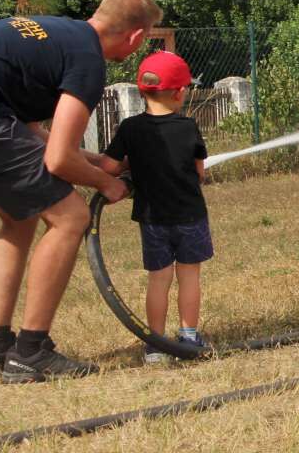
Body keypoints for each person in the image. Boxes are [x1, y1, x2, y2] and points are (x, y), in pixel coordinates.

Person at [0, 0, 162, 381]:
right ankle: (31, 352)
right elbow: (58, 160)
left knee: (18, 216)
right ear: (136, 36)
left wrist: (96, 163)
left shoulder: (60, 34)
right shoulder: (87, 61)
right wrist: (107, 185)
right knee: (70, 218)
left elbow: (29, 132)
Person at [99, 50, 210, 364]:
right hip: (191, 217)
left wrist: (129, 169)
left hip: (152, 221)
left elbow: (107, 165)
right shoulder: (188, 127)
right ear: (179, 93)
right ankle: (189, 337)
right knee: (189, 276)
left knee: (158, 279)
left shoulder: (130, 128)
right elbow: (199, 172)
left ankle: (156, 345)